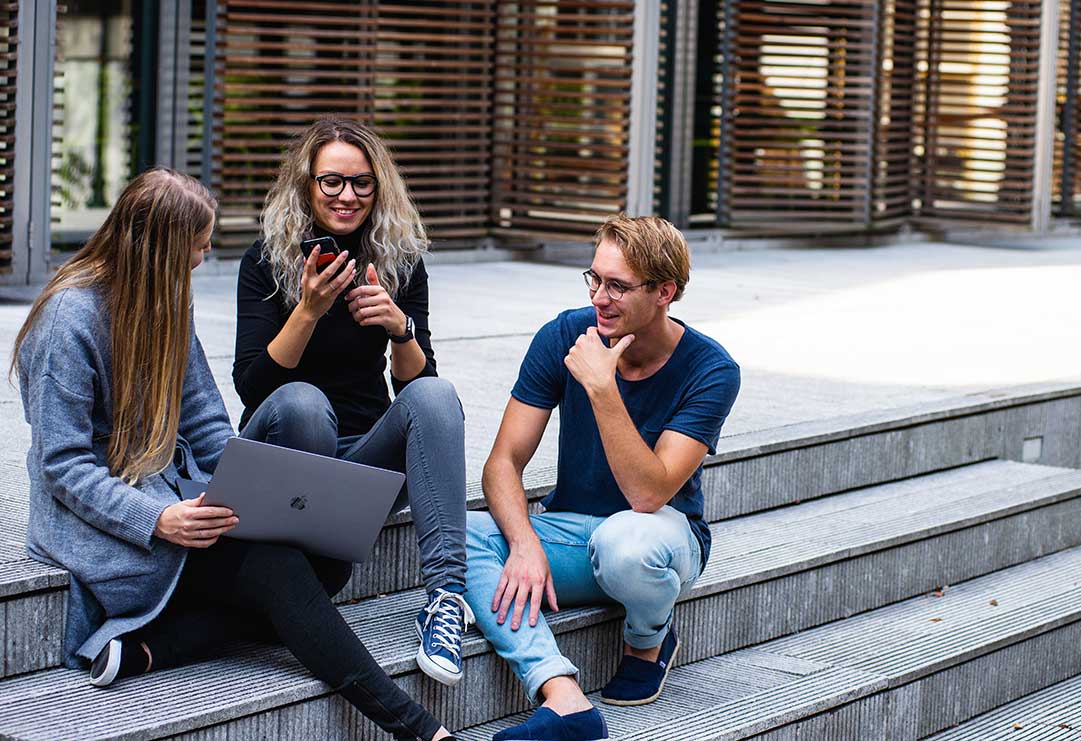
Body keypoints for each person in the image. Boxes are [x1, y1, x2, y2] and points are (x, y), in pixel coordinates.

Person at [13, 168, 457, 741]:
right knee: (279, 571)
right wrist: (158, 519)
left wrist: (246, 487)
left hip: (176, 499)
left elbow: (205, 422)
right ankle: (419, 729)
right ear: (159, 248)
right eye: (197, 248)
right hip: (107, 524)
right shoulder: (67, 320)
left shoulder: (166, 299)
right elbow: (63, 465)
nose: (202, 260)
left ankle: (158, 646)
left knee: (328, 565)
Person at [463, 215, 741, 741]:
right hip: (573, 532)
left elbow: (649, 493)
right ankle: (562, 696)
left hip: (659, 539)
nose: (599, 298)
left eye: (617, 286)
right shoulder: (564, 334)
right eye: (594, 279)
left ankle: (648, 639)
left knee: (626, 542)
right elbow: (502, 462)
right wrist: (523, 543)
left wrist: (602, 387)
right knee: (459, 532)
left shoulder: (711, 369)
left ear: (664, 292)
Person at [233, 118, 472, 686]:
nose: (348, 196)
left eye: (362, 183)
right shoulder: (266, 260)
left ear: (379, 187)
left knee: (437, 395)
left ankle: (446, 599)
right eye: (332, 181)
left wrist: (399, 327)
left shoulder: (399, 261)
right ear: (307, 184)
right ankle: (299, 574)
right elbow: (253, 387)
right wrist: (308, 310)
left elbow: (418, 390)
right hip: (286, 456)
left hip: (361, 464)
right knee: (303, 403)